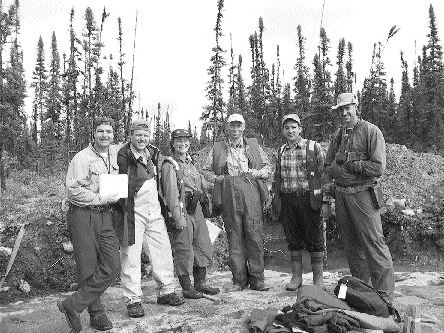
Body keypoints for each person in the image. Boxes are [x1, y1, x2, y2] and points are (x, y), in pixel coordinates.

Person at [325, 92, 395, 302]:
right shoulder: (338, 135)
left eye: (348, 108)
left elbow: (378, 167)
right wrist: (333, 184)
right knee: (351, 246)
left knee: (374, 243)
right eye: (341, 109)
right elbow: (328, 166)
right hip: (342, 197)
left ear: (356, 107)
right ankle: (362, 290)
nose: (345, 112)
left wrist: (350, 164)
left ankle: (385, 295)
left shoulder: (371, 131)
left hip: (364, 194)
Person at [114, 119, 185, 318]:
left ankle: (166, 290)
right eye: (138, 135)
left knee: (162, 249)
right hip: (132, 209)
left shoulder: (154, 153)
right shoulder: (122, 155)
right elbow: (112, 184)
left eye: (145, 135)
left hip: (154, 209)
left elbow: (166, 168)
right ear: (130, 135)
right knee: (131, 255)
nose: (142, 138)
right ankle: (133, 299)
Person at [59, 117, 121, 332]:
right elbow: (73, 190)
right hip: (83, 214)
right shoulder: (81, 158)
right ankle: (96, 313)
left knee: (113, 266)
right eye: (100, 131)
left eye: (109, 132)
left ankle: (73, 304)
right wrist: (99, 199)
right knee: (88, 267)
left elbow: (139, 145)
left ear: (114, 135)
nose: (104, 135)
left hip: (106, 216)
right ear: (93, 134)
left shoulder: (116, 153)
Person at [202, 114, 272, 292]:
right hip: (228, 192)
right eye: (232, 126)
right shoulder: (218, 148)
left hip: (251, 192)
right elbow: (205, 171)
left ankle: (257, 279)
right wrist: (218, 179)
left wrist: (256, 173)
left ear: (244, 128)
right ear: (227, 128)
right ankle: (239, 280)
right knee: (234, 237)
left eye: (238, 126)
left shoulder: (253, 146)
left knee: (254, 235)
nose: (235, 129)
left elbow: (268, 168)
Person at [161, 129, 220, 299]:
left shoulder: (191, 162)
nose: (183, 144)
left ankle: (200, 283)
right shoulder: (170, 165)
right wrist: (177, 217)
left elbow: (202, 184)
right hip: (182, 209)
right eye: (178, 141)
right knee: (184, 248)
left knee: (203, 245)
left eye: (186, 140)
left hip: (197, 208)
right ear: (172, 143)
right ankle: (187, 288)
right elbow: (171, 193)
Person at [271, 114, 326, 291]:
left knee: (315, 239)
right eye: (287, 128)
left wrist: (326, 201)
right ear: (283, 131)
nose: (290, 130)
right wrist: (275, 199)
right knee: (293, 239)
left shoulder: (313, 147)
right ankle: (296, 277)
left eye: (293, 127)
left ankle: (318, 280)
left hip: (309, 199)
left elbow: (324, 175)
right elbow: (277, 177)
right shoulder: (281, 151)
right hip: (288, 199)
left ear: (300, 129)